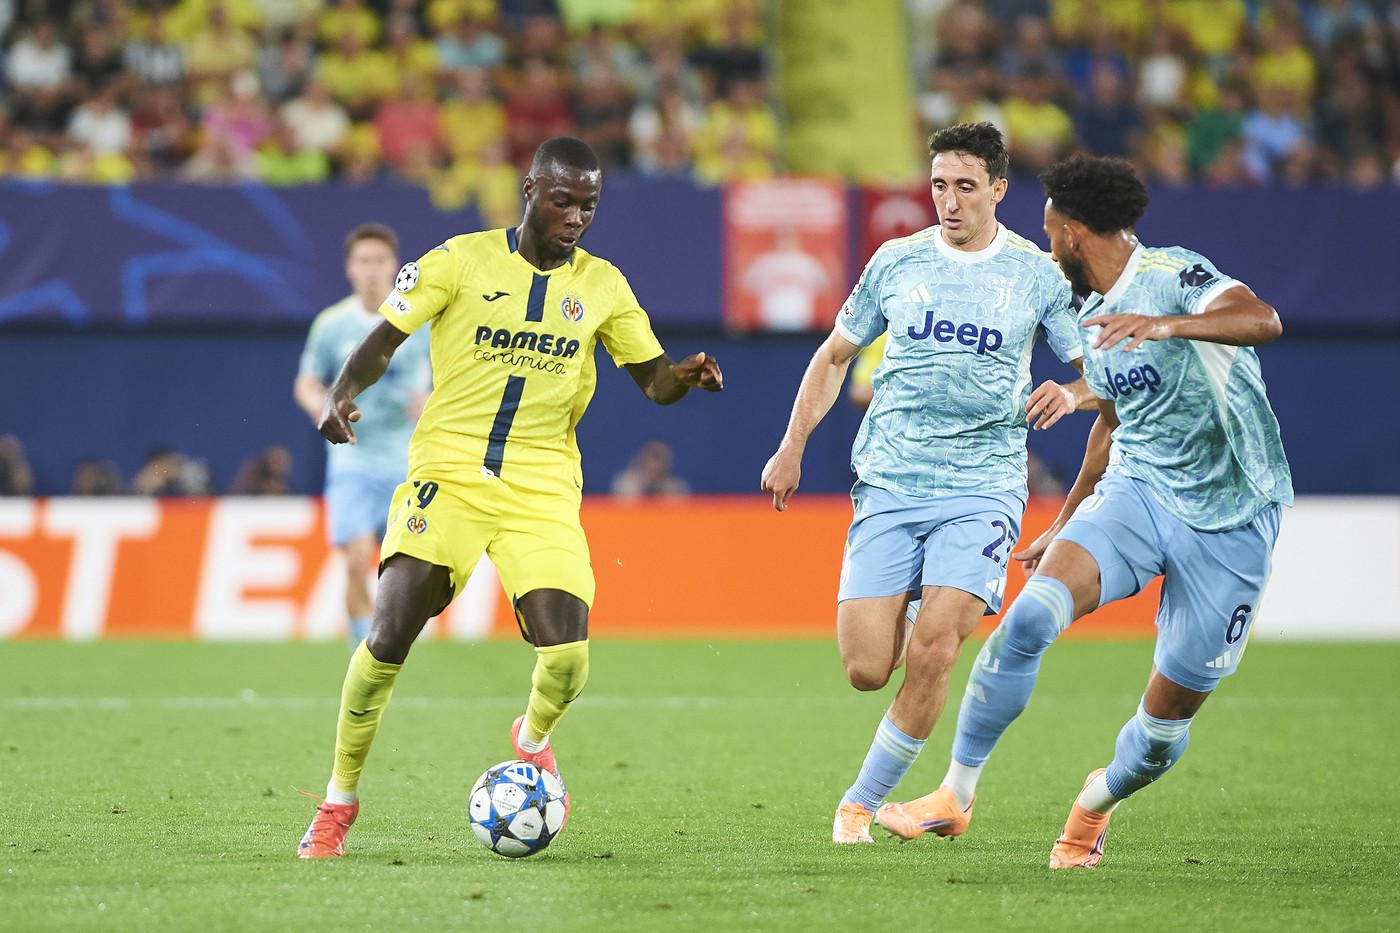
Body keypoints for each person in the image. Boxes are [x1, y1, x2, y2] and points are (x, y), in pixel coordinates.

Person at [296, 136, 723, 859]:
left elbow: (653, 382)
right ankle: (339, 801)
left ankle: (531, 736)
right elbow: (384, 339)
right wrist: (340, 392)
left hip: (542, 486)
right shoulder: (458, 260)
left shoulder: (604, 286)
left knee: (569, 658)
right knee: (388, 634)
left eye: (588, 206)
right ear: (530, 192)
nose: (576, 217)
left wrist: (682, 376)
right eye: (563, 201)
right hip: (448, 474)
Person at [877, 153, 1291, 869]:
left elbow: (1263, 319)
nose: (1046, 247)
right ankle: (954, 794)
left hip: (1234, 514)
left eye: (1048, 232)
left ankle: (1096, 802)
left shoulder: (1173, 275)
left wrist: (1165, 326)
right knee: (1029, 618)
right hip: (1139, 491)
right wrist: (1065, 522)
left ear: (1071, 233)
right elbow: (1113, 419)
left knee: (1162, 731)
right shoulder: (1085, 313)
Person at [759, 122, 1092, 845]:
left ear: (998, 189)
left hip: (984, 484)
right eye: (939, 185)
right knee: (865, 668)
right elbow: (834, 355)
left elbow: (1103, 372)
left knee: (937, 649)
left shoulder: (1036, 274)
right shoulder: (896, 261)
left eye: (966, 186)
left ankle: (858, 805)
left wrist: (1071, 394)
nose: (949, 200)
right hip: (889, 479)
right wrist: (792, 446)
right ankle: (919, 602)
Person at [295, 223, 432, 645]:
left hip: (409, 457)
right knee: (356, 561)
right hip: (353, 455)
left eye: (379, 260)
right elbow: (306, 382)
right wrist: (322, 407)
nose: (372, 269)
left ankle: (393, 639)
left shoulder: (422, 319)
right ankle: (363, 651)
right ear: (349, 269)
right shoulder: (332, 324)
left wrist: (434, 400)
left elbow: (458, 376)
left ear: (395, 266)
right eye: (363, 261)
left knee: (411, 567)